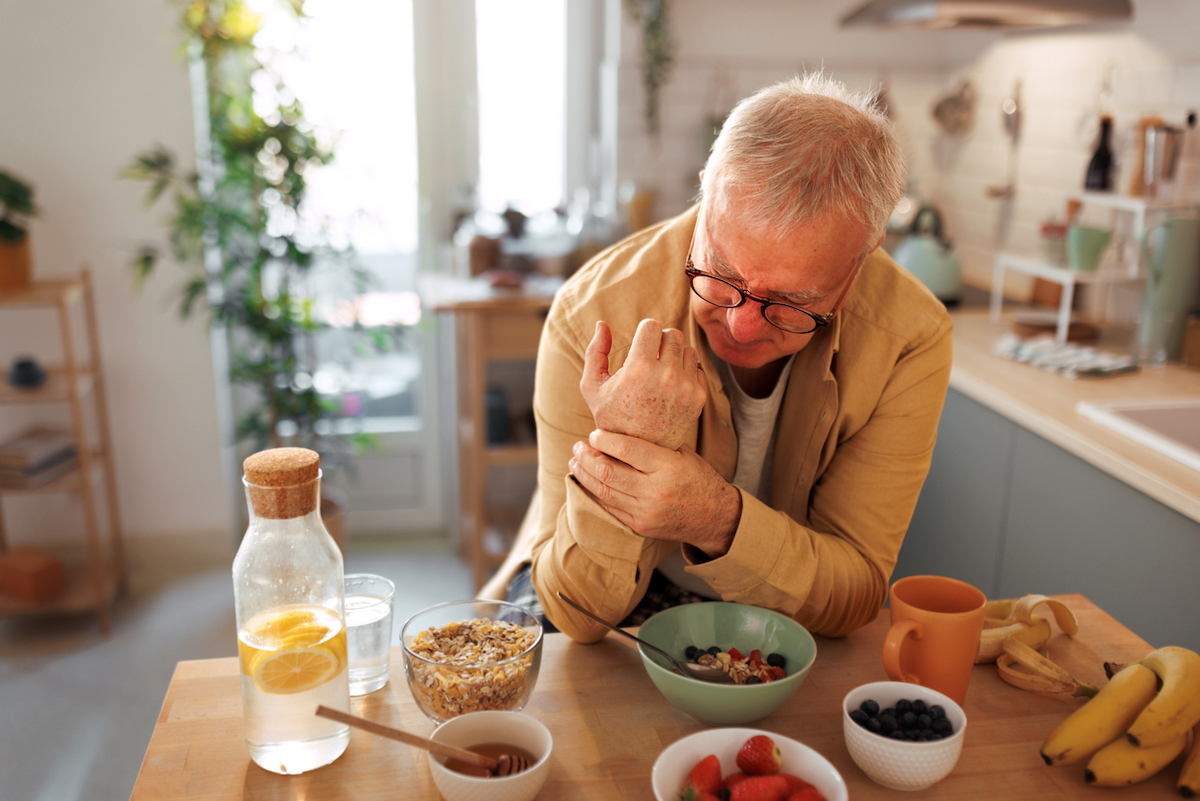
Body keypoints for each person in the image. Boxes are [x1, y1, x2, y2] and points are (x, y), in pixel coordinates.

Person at [505, 72, 953, 642]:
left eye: (791, 302)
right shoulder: (590, 313)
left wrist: (715, 517)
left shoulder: (910, 335)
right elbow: (576, 614)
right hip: (623, 590)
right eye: (719, 272)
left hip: (782, 607)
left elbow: (856, 592)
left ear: (864, 258)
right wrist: (629, 445)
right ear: (704, 192)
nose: (740, 324)